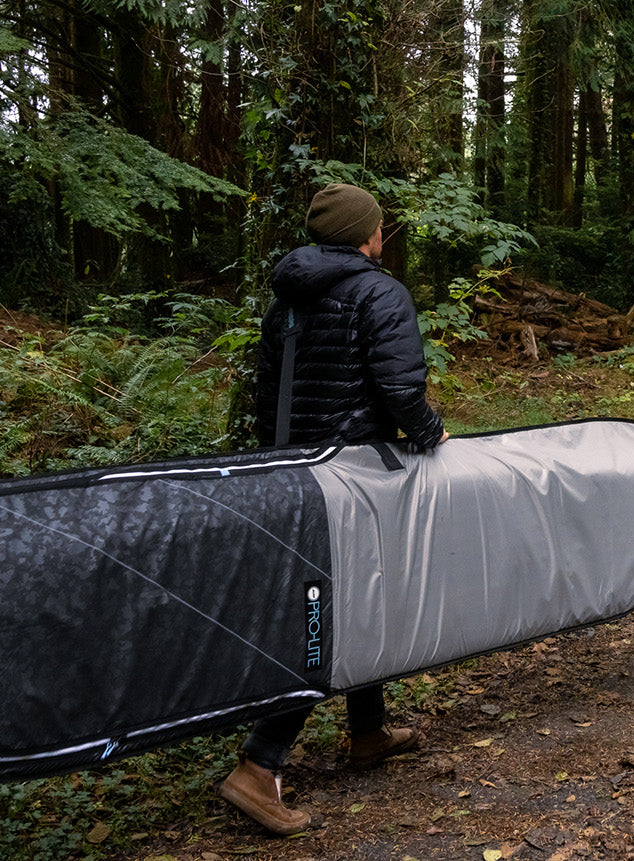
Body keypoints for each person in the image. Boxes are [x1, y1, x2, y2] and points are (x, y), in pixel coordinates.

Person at [217, 183, 448, 835]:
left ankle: (369, 730)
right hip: (357, 474)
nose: (384, 234)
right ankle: (258, 766)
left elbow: (268, 395)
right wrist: (431, 434)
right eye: (379, 226)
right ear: (366, 235)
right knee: (331, 613)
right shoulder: (380, 292)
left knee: (350, 598)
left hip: (294, 472)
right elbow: (402, 391)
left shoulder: (287, 299)